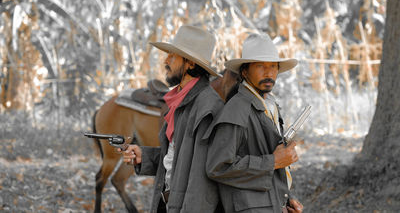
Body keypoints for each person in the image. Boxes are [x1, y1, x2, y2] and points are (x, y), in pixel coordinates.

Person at [120, 25, 224, 213]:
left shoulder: (207, 107)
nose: (166, 61)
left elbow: (201, 180)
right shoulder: (181, 99)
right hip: (168, 202)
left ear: (191, 64)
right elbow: (178, 157)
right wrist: (145, 157)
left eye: (172, 56)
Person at [205, 33, 304, 213]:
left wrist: (285, 200)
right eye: (260, 66)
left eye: (273, 66)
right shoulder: (237, 109)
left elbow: (269, 163)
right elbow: (218, 166)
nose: (268, 73)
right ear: (244, 71)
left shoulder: (270, 105)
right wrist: (273, 161)